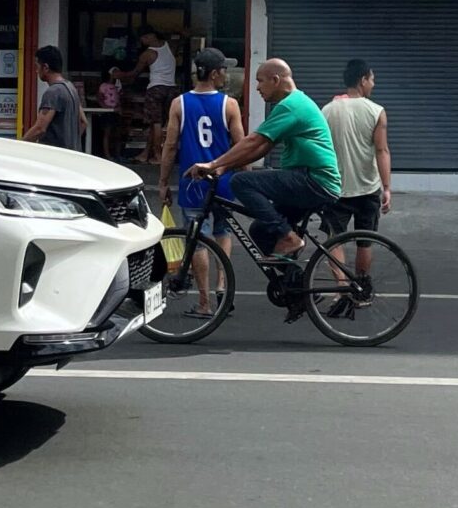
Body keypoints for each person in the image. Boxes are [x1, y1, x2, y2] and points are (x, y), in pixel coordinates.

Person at [188, 58, 342, 263]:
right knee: (261, 230)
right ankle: (294, 288)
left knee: (241, 181)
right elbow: (262, 147)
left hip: (314, 180)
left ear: (275, 79)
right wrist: (224, 167)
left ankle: (289, 237)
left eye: (260, 81)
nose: (257, 88)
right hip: (310, 180)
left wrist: (213, 163)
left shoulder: (291, 106)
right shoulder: (292, 103)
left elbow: (254, 140)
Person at [159, 47, 245, 319]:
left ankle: (205, 302)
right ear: (216, 72)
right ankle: (223, 286)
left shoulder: (179, 104)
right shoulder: (229, 105)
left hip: (193, 184)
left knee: (197, 240)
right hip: (223, 181)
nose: (225, 77)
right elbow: (241, 145)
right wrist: (246, 176)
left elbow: (171, 145)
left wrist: (163, 182)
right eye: (224, 71)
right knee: (222, 232)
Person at [321, 58, 393, 259]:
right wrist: (386, 188)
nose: (374, 84)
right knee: (365, 241)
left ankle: (342, 286)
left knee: (334, 239)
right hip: (368, 188)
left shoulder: (327, 110)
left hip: (336, 187)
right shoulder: (376, 111)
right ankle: (361, 285)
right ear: (363, 80)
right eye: (372, 79)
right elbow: (382, 151)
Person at [127, 30, 179, 165]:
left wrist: (119, 75)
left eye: (142, 39)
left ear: (148, 36)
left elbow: (135, 73)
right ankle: (145, 154)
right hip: (171, 89)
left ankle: (158, 155)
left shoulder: (147, 54)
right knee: (158, 124)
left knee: (156, 123)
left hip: (155, 88)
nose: (142, 42)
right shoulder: (171, 46)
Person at [23, 45, 88, 150]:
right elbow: (83, 121)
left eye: (37, 66)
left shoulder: (53, 92)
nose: (36, 71)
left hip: (53, 156)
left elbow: (40, 128)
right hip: (71, 154)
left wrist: (19, 145)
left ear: (45, 67)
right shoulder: (71, 87)